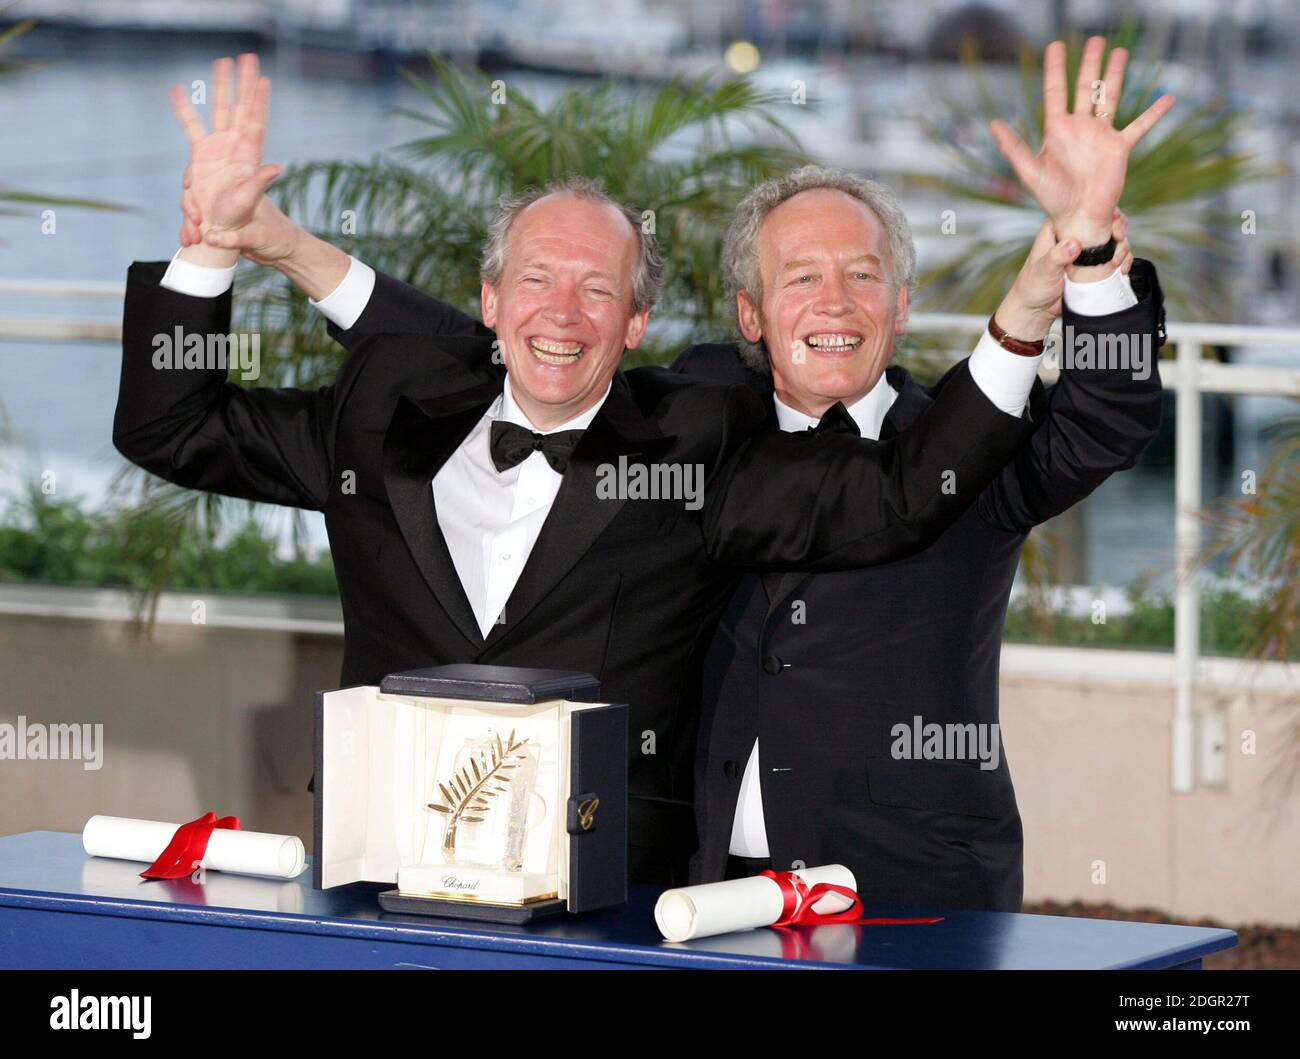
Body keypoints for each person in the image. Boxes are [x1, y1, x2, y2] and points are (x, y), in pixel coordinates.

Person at [117, 47, 1128, 887]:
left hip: (648, 885)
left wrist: (1062, 275)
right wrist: (227, 247)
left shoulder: (684, 440)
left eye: (598, 290)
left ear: (636, 323)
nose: (564, 314)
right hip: (391, 859)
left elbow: (928, 479)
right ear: (488, 300)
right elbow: (179, 424)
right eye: (537, 284)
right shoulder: (385, 429)